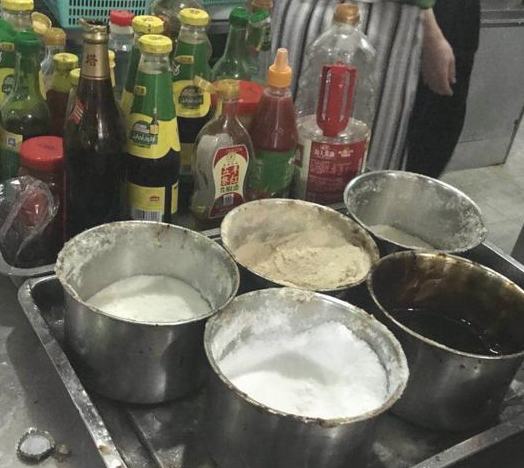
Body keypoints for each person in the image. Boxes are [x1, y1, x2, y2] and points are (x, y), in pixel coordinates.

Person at [405, 0, 481, 178]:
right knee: (416, 130)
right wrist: (428, 27)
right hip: (428, 13)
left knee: (443, 122)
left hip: (460, 16)